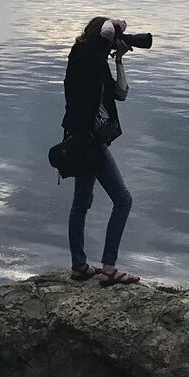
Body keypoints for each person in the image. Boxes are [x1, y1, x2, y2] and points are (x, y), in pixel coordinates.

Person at [61, 16, 140, 286]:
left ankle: (79, 266)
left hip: (89, 141)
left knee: (81, 204)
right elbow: (107, 29)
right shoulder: (80, 54)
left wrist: (119, 59)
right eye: (108, 42)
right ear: (98, 36)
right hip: (88, 142)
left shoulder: (97, 64)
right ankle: (109, 268)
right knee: (123, 200)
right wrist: (117, 23)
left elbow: (121, 94)